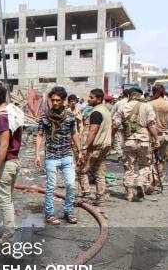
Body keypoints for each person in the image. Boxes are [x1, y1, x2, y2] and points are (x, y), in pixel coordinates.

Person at [35, 86, 82, 225]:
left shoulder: (70, 116)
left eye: (58, 100)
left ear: (63, 101)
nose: (54, 103)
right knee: (50, 187)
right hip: (51, 156)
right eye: (53, 100)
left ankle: (68, 211)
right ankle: (49, 214)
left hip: (67, 156)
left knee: (70, 185)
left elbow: (74, 134)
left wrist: (80, 151)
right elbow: (39, 135)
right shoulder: (45, 117)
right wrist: (37, 155)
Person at [111, 87, 160, 201]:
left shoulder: (122, 107)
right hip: (144, 140)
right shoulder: (147, 106)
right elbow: (151, 124)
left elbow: (115, 124)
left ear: (129, 95)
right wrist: (156, 139)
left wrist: (111, 138)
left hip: (128, 141)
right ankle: (140, 181)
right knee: (145, 165)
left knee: (129, 167)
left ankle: (129, 194)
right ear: (140, 95)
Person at [0, 84, 23, 241]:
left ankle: (8, 234)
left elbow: (4, 145)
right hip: (13, 161)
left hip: (6, 163)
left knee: (4, 199)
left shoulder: (2, 117)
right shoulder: (12, 113)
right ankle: (5, 229)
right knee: (6, 198)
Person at [77, 89, 113, 206]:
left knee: (81, 170)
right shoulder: (105, 110)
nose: (89, 99)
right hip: (105, 146)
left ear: (98, 99)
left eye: (91, 97)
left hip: (95, 147)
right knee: (99, 172)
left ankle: (86, 194)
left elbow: (93, 130)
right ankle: (100, 197)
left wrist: (85, 147)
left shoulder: (96, 112)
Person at [146, 83, 168, 187]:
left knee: (151, 159)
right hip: (165, 135)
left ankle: (154, 180)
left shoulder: (149, 104)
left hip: (152, 136)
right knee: (161, 159)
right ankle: (159, 178)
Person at [111, 89, 130, 159]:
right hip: (129, 125)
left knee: (118, 140)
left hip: (118, 124)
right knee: (127, 140)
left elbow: (112, 114)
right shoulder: (131, 103)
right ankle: (126, 154)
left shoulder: (118, 103)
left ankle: (120, 155)